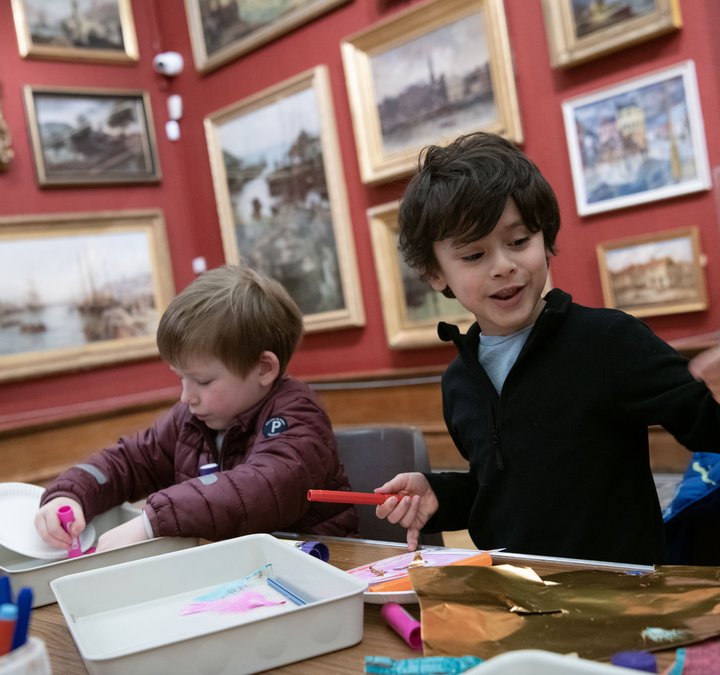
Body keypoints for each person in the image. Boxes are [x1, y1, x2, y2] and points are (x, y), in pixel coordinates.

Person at [375, 132, 720, 566]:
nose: (504, 266)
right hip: (515, 602)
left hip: (620, 603)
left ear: (544, 236)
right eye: (473, 255)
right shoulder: (459, 382)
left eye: (518, 242)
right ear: (434, 273)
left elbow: (708, 427)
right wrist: (439, 494)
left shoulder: (610, 342)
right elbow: (500, 492)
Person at [35, 264, 358, 553]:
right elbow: (128, 461)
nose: (186, 397)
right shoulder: (191, 417)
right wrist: (71, 494)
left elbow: (262, 485)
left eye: (202, 381)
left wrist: (151, 520)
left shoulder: (298, 414)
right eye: (182, 379)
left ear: (263, 369)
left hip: (319, 570)